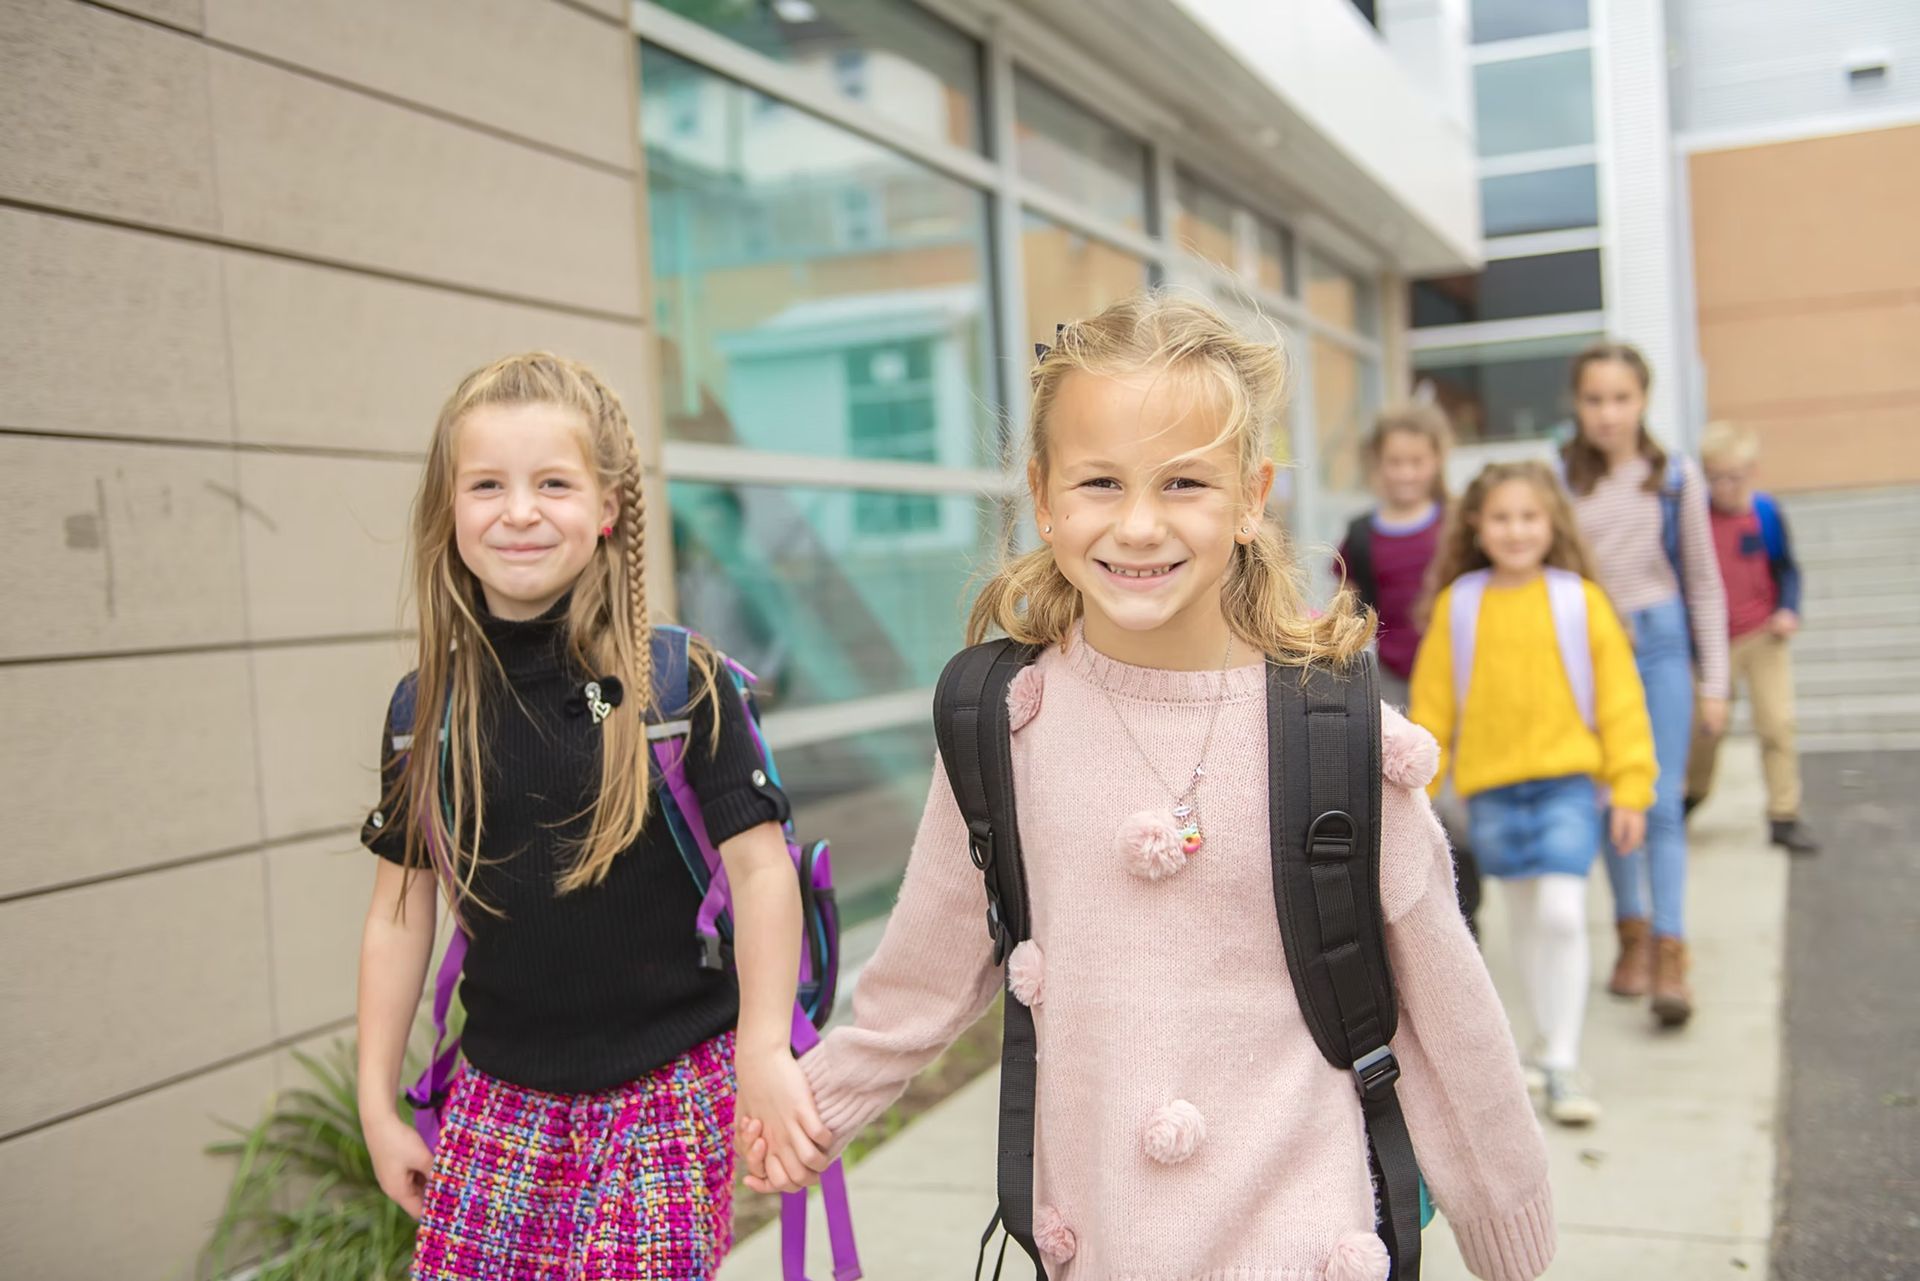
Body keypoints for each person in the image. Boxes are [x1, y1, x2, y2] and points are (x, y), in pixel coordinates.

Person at [743, 294, 1554, 1280]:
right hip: (1100, 1243)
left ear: (1253, 495)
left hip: (1303, 1242)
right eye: (1099, 482)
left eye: (1183, 483)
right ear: (1042, 497)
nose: (1137, 525)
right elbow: (925, 974)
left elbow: (1448, 1014)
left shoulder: (1336, 735)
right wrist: (810, 1109)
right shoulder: (1008, 725)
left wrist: (1506, 1225)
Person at [353, 353, 826, 1279]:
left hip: (665, 1090)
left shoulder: (659, 692)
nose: (519, 510)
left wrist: (764, 1049)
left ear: (607, 507)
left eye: (553, 483)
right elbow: (398, 911)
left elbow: (763, 870)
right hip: (496, 1096)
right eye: (487, 484)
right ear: (450, 510)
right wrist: (377, 1102)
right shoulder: (430, 711)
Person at [1410, 462, 1656, 1126]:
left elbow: (1622, 703)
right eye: (1501, 517)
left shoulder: (1581, 599)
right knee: (1525, 918)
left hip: (1569, 787)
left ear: (1553, 524)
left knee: (1562, 913)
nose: (1516, 530)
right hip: (1491, 793)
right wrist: (1415, 794)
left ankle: (1565, 1058)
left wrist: (1632, 787)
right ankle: (1546, 1047)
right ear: (1475, 526)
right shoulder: (1458, 605)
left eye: (1529, 517)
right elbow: (1433, 713)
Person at [1562, 341, 1728, 1028]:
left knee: (1657, 801)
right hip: (1590, 649)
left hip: (1661, 648)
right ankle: (1630, 934)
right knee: (1609, 799)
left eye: (1621, 398)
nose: (1608, 413)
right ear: (1577, 404)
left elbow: (1704, 583)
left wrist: (1713, 680)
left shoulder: (1675, 478)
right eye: (1595, 399)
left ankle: (1670, 949)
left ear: (1643, 401)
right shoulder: (1560, 479)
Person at [1339, 401, 1483, 934]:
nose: (1405, 473)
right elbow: (1348, 604)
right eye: (1394, 461)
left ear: (1437, 460)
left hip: (1460, 676)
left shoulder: (1457, 525)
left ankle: (1472, 905)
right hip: (1396, 676)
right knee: (1419, 793)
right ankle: (1430, 904)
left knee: (1460, 798)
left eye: (1416, 461)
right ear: (1378, 464)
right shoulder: (1360, 533)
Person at [1685, 420, 1819, 854]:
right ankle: (1692, 795)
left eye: (1734, 477)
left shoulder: (1765, 514)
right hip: (1711, 641)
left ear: (1752, 471)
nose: (1724, 486)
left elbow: (1787, 568)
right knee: (1705, 730)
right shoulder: (1697, 518)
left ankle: (1784, 814)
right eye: (1715, 477)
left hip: (1762, 636)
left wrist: (1788, 609)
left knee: (1777, 723)